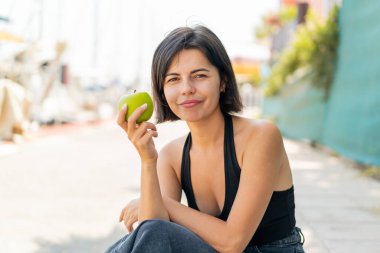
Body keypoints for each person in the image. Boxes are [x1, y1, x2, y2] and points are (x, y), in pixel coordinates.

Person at [106, 25, 305, 253]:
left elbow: (233, 242)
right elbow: (154, 233)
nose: (186, 89)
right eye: (173, 79)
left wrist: (165, 204)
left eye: (199, 76)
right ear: (162, 92)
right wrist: (148, 160)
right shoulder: (172, 155)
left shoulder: (261, 137)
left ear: (223, 81)